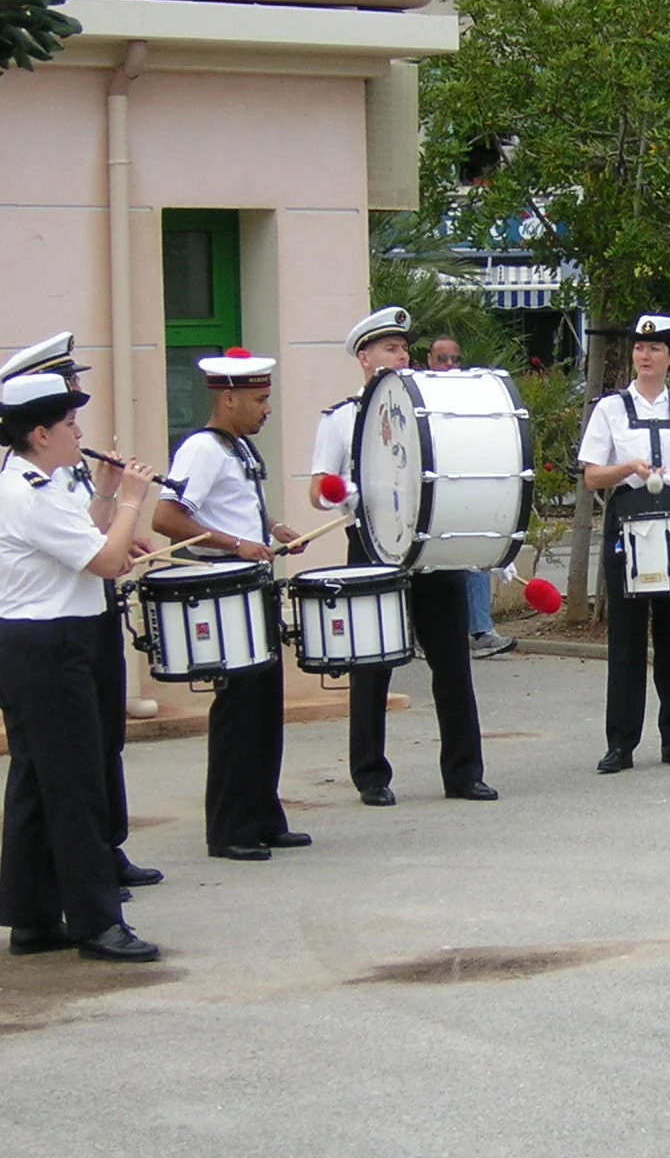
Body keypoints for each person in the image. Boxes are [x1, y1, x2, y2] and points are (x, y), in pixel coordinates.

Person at [0, 372, 160, 960]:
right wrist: (134, 502)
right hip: (47, 645)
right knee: (75, 786)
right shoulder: (29, 492)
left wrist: (105, 492)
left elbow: (85, 534)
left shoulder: (36, 482)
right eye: (70, 425)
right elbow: (105, 558)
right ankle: (97, 921)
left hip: (41, 641)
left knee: (39, 783)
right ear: (40, 434)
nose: (79, 433)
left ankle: (33, 916)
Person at [310, 308, 498, 807]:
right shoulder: (342, 417)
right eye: (389, 348)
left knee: (452, 664)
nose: (400, 356)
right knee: (371, 666)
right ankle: (370, 775)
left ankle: (463, 772)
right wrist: (345, 493)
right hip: (372, 548)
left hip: (430, 549)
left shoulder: (427, 410)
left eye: (402, 348)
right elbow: (318, 489)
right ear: (364, 358)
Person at [151, 351, 310, 861]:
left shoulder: (237, 447)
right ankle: (228, 827)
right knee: (237, 712)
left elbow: (235, 511)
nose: (267, 409)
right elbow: (169, 517)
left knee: (264, 708)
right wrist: (233, 544)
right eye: (260, 400)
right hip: (224, 592)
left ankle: (264, 815)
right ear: (229, 398)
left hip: (251, 586)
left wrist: (269, 530)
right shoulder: (202, 449)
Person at [577, 313, 670, 774]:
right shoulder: (609, 408)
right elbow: (590, 475)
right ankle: (620, 743)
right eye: (640, 349)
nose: (645, 355)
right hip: (629, 515)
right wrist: (628, 468)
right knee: (626, 637)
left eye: (656, 349)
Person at [421, 335, 515, 659]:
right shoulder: (418, 394)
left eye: (455, 360)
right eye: (442, 359)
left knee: (475, 555)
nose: (449, 366)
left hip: (463, 491)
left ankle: (481, 631)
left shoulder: (472, 399)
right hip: (429, 497)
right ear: (429, 360)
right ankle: (425, 635)